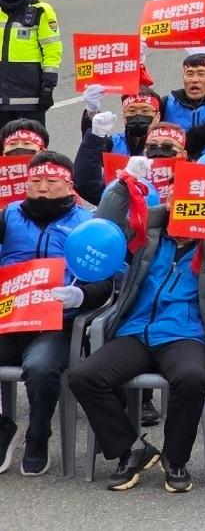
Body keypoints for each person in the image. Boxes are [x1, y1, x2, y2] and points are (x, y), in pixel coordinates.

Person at [70, 158, 205, 492]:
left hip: (185, 334)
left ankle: (176, 458)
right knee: (85, 377)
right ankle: (131, 449)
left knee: (191, 377)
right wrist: (122, 184)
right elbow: (105, 226)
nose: (183, 203)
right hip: (135, 331)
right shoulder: (147, 233)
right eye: (176, 193)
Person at [0, 152, 114, 476]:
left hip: (56, 323)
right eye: (35, 181)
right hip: (10, 318)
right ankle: (4, 427)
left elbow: (105, 283)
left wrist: (80, 295)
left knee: (40, 368)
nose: (43, 188)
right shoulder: (8, 216)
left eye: (51, 181)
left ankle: (38, 437)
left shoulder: (87, 224)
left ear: (69, 184)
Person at [0, 0, 60, 126]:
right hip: (1, 99)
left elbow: (52, 49)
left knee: (32, 146)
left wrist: (48, 85)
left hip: (29, 97)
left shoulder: (41, 10)